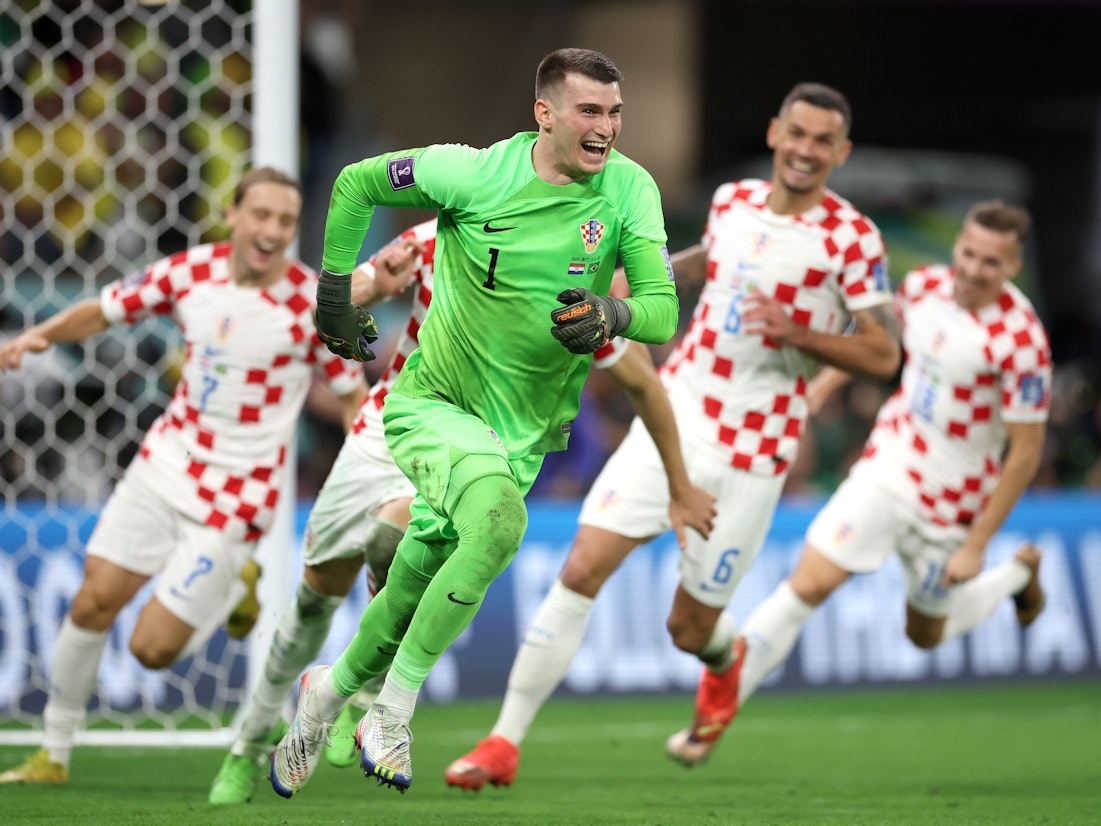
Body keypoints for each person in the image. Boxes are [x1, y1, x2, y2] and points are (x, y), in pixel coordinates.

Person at [444, 81, 903, 790]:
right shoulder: (733, 201)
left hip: (754, 451)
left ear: (840, 152)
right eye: (797, 133)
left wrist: (798, 333)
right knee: (580, 569)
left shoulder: (852, 238)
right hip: (680, 412)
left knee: (689, 630)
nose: (806, 150)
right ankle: (503, 743)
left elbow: (883, 353)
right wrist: (627, 292)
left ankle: (725, 659)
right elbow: (707, 262)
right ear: (775, 132)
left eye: (823, 141)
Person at [269, 47, 683, 798]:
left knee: (412, 584)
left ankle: (325, 695)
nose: (606, 128)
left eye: (615, 112)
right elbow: (357, 182)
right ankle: (393, 712)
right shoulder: (472, 173)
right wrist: (333, 295)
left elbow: (660, 309)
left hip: (523, 432)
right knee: (498, 524)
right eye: (589, 111)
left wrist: (611, 312)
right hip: (433, 404)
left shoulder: (630, 189)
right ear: (545, 113)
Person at [207, 218, 714, 804]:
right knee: (318, 597)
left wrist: (680, 485)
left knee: (418, 540)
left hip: (476, 453)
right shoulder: (456, 221)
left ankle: (377, 704)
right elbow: (355, 287)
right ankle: (268, 730)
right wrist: (365, 290)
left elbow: (645, 384)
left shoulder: (572, 299)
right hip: (395, 421)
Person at [0, 167, 368, 786]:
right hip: (166, 465)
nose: (272, 230)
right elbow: (103, 311)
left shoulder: (313, 304)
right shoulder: (189, 272)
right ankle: (52, 754)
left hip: (237, 497)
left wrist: (375, 470)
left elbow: (353, 396)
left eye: (286, 221)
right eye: (261, 215)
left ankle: (235, 585)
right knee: (93, 600)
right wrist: (38, 335)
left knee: (151, 650)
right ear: (232, 215)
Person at [671, 199, 1050, 767]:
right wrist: (821, 388)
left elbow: (1026, 451)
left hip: (954, 503)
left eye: (990, 262)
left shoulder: (1021, 341)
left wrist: (977, 545)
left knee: (925, 634)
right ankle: (710, 723)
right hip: (889, 465)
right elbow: (876, 345)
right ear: (958, 246)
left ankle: (1018, 574)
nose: (973, 269)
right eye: (969, 253)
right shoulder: (921, 287)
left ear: (1013, 266)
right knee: (806, 586)